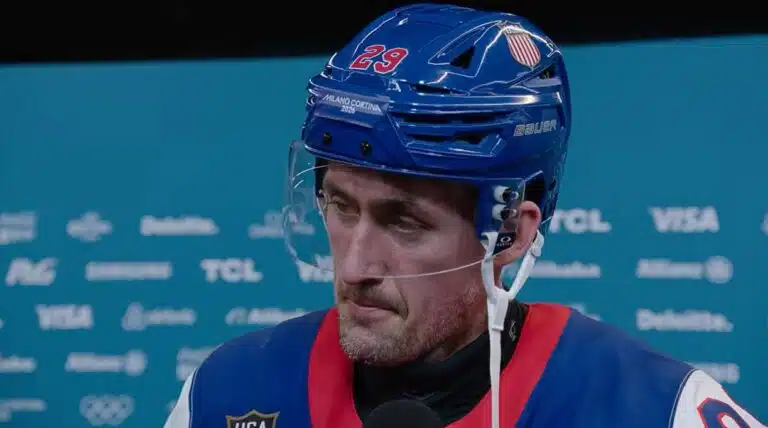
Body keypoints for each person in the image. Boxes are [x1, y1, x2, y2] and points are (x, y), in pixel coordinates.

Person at [164, 4, 765, 428]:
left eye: (403, 222)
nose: (354, 265)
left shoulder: (655, 410)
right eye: (340, 207)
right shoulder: (225, 394)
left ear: (508, 233)